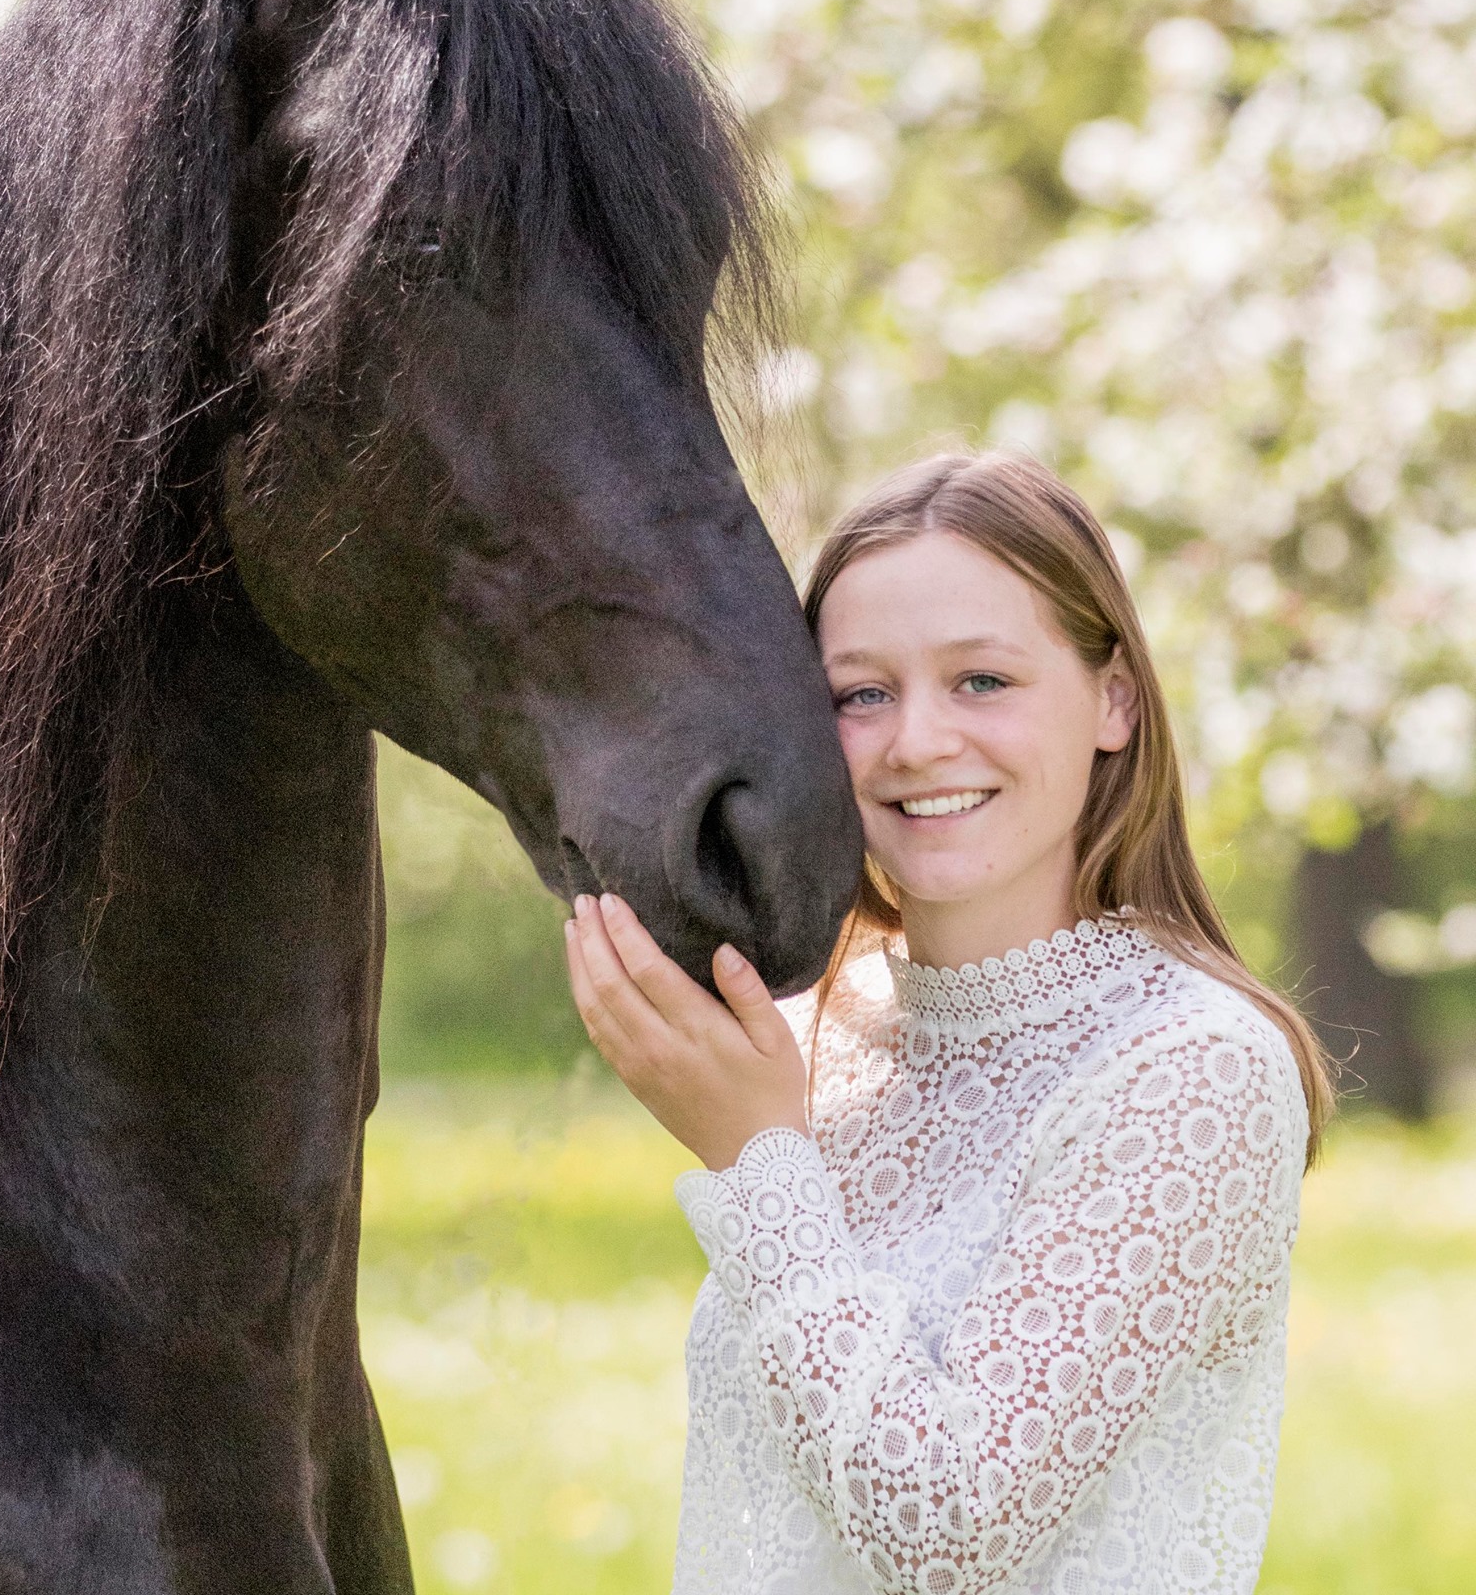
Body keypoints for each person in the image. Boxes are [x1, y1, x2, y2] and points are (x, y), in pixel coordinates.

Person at [564, 449, 1331, 1595]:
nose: (917, 739)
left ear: (1112, 697)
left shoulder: (1190, 1067)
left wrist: (755, 1158)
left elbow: (949, 1522)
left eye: (981, 680)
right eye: (861, 693)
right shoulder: (815, 1036)